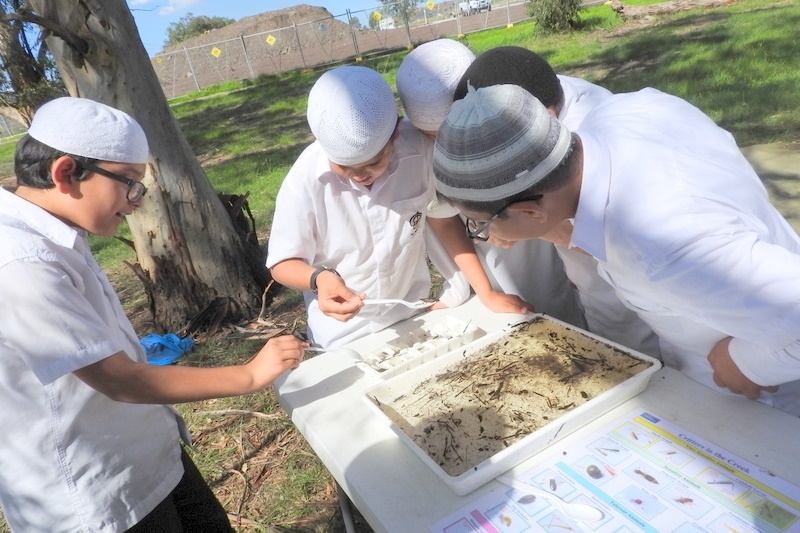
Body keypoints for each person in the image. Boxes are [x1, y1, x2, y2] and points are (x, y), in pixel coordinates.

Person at [0, 96, 308, 532]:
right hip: (99, 496)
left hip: (148, 459)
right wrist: (248, 376)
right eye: (129, 183)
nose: (137, 201)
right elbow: (119, 379)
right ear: (66, 172)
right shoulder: (18, 260)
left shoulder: (56, 227)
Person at [432, 83, 800, 415]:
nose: (483, 234)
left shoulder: (657, 247)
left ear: (529, 210)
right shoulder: (624, 110)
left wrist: (746, 364)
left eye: (481, 224)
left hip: (767, 398)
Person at [267, 65, 531, 350]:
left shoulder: (419, 152)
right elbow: (282, 263)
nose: (360, 176)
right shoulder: (304, 181)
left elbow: (443, 222)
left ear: (395, 134)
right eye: (345, 168)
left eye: (373, 163)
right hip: (342, 332)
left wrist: (487, 293)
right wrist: (319, 279)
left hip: (409, 313)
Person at [451, 46, 660, 357]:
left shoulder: (587, 138)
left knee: (639, 352)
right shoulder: (533, 92)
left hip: (642, 284)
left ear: (545, 120)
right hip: (602, 275)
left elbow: (616, 245)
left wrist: (535, 230)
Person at [396, 40, 587, 329]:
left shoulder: (535, 121)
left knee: (576, 303)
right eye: (432, 136)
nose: (448, 145)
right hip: (496, 243)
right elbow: (444, 219)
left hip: (549, 230)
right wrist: (486, 291)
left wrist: (559, 241)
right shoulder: (422, 152)